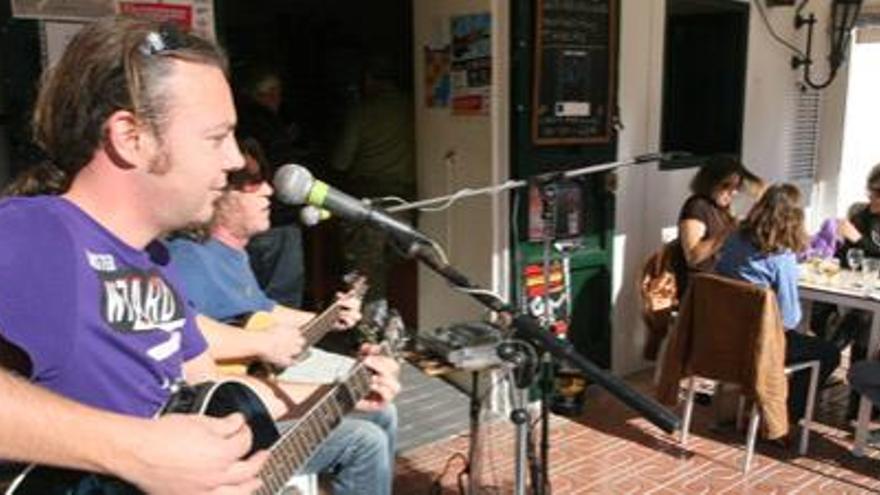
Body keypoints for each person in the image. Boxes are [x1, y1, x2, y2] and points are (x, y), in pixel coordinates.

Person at [0, 16, 399, 493]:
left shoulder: (155, 263)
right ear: (131, 137)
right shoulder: (36, 233)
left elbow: (209, 394)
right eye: (216, 137)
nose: (233, 159)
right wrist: (136, 450)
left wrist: (341, 393)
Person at [166, 137, 397, 495]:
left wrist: (326, 317)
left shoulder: (234, 254)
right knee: (366, 436)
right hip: (230, 420)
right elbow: (186, 345)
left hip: (260, 384)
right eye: (252, 181)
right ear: (218, 195)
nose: (269, 191)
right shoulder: (188, 259)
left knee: (380, 408)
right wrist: (262, 344)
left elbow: (263, 311)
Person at [716, 183, 841, 422]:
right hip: (759, 344)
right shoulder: (780, 257)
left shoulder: (733, 240)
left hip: (724, 337)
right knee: (828, 352)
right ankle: (782, 418)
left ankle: (762, 407)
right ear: (793, 219)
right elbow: (789, 318)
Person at [330, 55, 415, 302]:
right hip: (405, 198)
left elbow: (341, 161)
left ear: (369, 80)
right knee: (399, 259)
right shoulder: (412, 107)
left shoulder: (363, 112)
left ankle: (369, 331)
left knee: (365, 271)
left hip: (369, 198)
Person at [235, 67, 307, 308]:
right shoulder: (266, 123)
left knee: (247, 297)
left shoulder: (235, 119)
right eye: (275, 93)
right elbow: (283, 168)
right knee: (282, 295)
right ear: (267, 94)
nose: (278, 99)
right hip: (277, 218)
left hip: (241, 219)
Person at [671, 155, 763, 298]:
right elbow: (693, 256)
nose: (733, 192)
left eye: (736, 187)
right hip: (701, 289)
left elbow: (760, 188)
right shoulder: (697, 206)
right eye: (726, 186)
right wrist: (727, 232)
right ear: (710, 183)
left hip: (721, 282)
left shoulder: (721, 208)